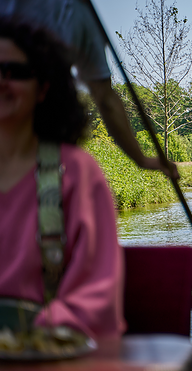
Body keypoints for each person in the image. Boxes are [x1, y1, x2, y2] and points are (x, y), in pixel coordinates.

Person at [0, 21, 125, 339]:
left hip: (46, 353)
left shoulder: (78, 174)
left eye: (15, 71)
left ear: (43, 88)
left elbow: (97, 298)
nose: (2, 81)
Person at [0, 0, 178, 179]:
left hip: (45, 136)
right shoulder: (80, 14)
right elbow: (105, 99)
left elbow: (106, 99)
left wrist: (142, 160)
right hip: (46, 138)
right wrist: (141, 159)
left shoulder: (80, 14)